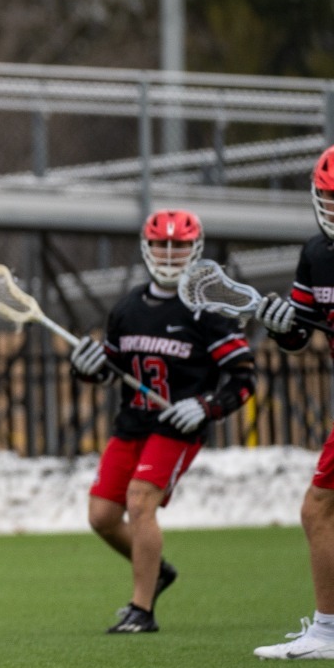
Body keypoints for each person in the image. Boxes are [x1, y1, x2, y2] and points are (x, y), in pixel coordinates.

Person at [68, 209, 254, 635]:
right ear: (146, 247)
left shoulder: (209, 310)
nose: (170, 253)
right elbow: (108, 369)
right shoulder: (128, 307)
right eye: (161, 244)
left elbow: (244, 379)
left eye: (179, 245)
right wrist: (84, 366)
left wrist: (205, 407)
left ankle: (142, 609)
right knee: (101, 516)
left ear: (195, 248)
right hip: (132, 422)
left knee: (140, 501)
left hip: (177, 428)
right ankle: (158, 571)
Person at [251, 142, 334, 660]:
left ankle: (326, 634)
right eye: (331, 196)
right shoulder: (316, 253)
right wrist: (281, 330)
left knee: (318, 509)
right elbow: (300, 334)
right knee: (321, 511)